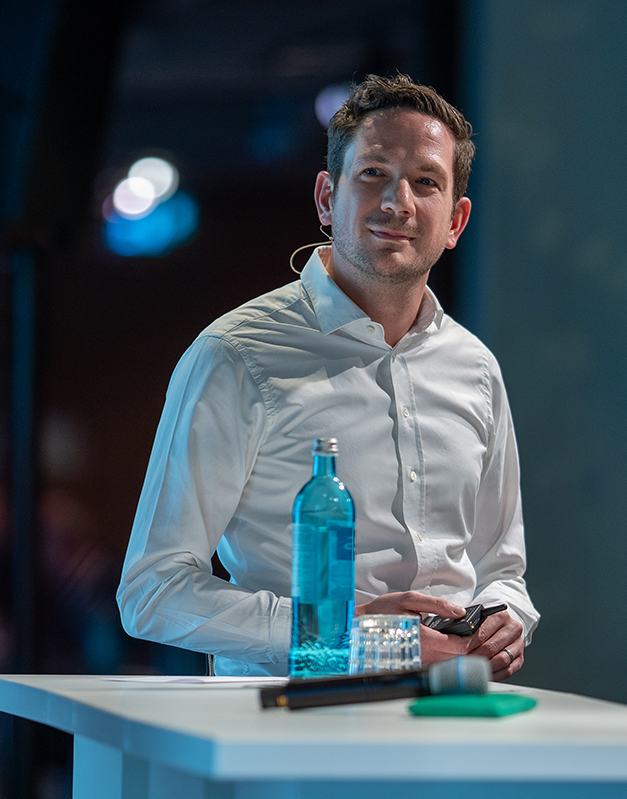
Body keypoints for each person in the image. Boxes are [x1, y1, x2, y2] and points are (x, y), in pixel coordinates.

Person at [118, 74, 538, 677]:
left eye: (426, 182)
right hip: (285, 717)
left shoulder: (475, 368)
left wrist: (507, 618)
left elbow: (502, 570)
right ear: (325, 197)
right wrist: (337, 633)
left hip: (451, 710)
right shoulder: (235, 355)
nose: (398, 202)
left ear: (455, 222)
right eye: (373, 173)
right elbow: (151, 591)